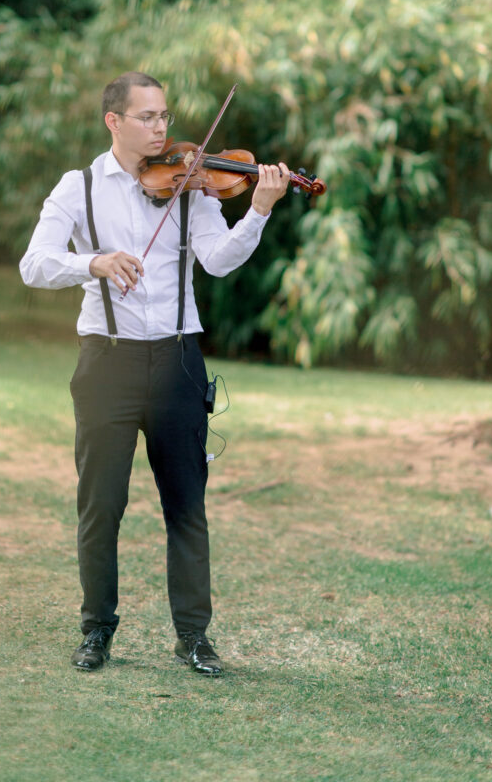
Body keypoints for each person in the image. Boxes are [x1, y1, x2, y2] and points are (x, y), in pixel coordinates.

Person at [19, 71, 289, 676]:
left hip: (177, 361)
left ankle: (194, 637)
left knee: (187, 507)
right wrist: (95, 262)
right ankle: (96, 632)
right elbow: (34, 264)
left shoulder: (192, 184)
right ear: (114, 122)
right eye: (147, 117)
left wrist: (260, 211)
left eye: (164, 115)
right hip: (105, 362)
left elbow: (217, 263)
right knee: (100, 506)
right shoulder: (79, 187)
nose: (162, 128)